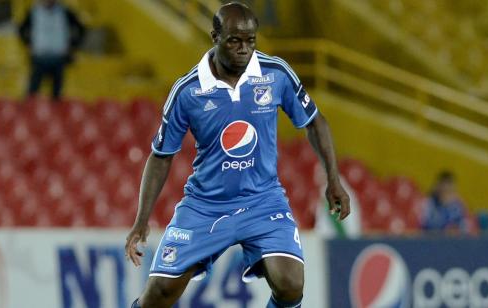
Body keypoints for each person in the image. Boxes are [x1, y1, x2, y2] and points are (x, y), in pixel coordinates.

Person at [125, 3, 350, 307]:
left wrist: (333, 179)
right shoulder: (188, 91)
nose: (244, 49)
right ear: (214, 36)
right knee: (160, 293)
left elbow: (314, 122)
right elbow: (161, 155)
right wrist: (141, 219)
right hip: (206, 205)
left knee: (290, 283)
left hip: (262, 200)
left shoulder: (275, 73)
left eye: (251, 41)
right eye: (234, 40)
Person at [18, 0, 85, 100]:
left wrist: (72, 46)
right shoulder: (34, 11)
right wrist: (28, 44)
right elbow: (21, 29)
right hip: (39, 56)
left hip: (58, 57)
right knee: (32, 91)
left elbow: (81, 28)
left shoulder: (64, 11)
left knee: (56, 94)